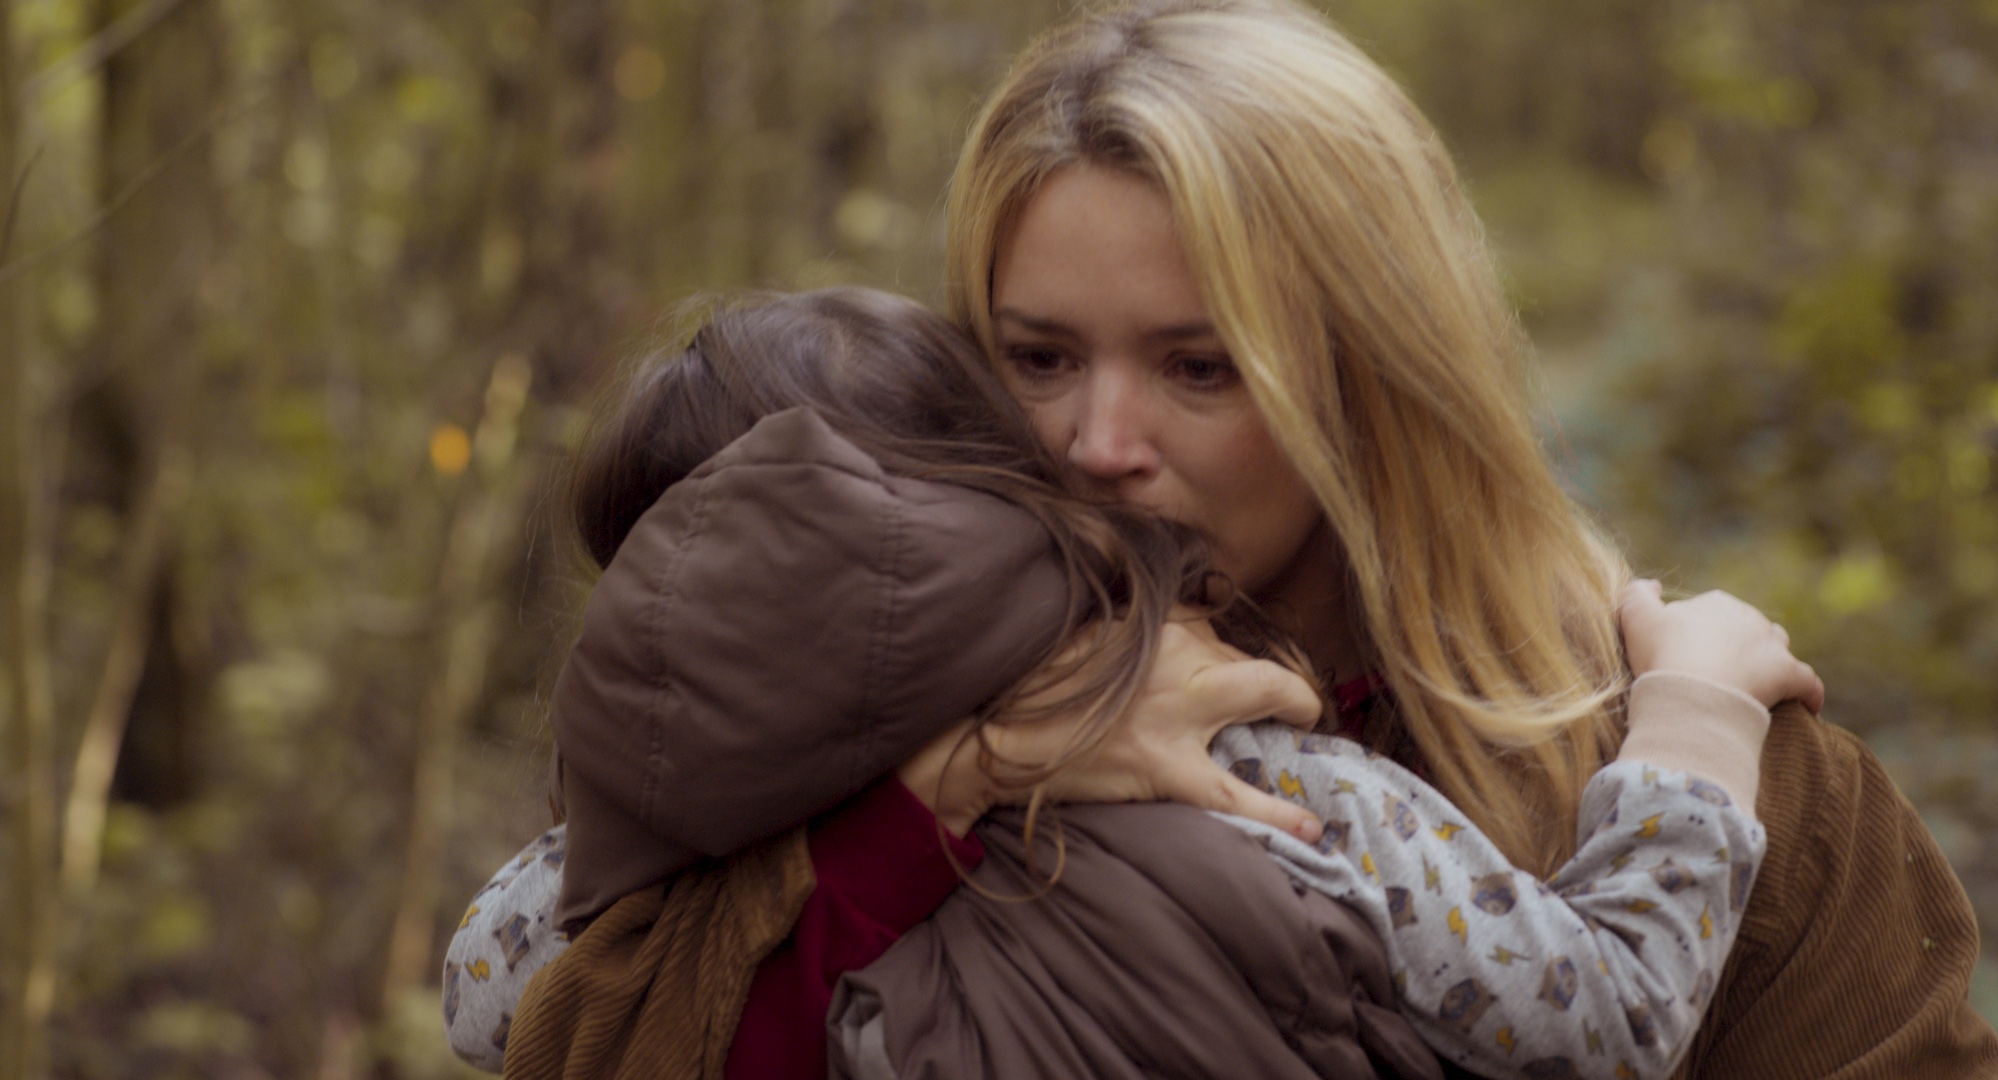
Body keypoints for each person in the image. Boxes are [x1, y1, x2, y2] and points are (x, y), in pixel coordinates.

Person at [462, 0, 1998, 1076]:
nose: (1097, 442)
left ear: (1377, 379)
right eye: (1037, 357)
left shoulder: (1738, 786)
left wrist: (1689, 723)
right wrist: (948, 791)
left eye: (1200, 368)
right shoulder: (826, 730)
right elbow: (536, 1010)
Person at [455, 287, 1777, 1080]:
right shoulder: (1244, 758)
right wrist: (1697, 716)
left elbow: (482, 1000)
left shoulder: (647, 864)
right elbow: (1602, 1022)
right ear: (1010, 501)